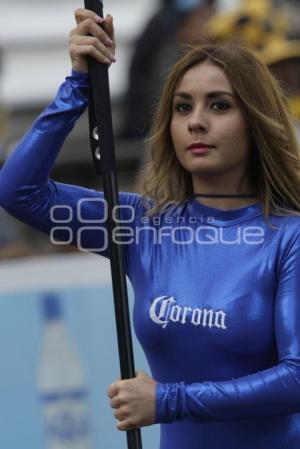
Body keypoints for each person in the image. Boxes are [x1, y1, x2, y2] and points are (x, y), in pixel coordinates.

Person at [0, 8, 300, 449]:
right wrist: (79, 85)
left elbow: (296, 378)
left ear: (255, 122)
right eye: (183, 107)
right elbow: (19, 191)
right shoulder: (142, 224)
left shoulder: (289, 236)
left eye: (219, 105)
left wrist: (168, 402)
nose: (196, 120)